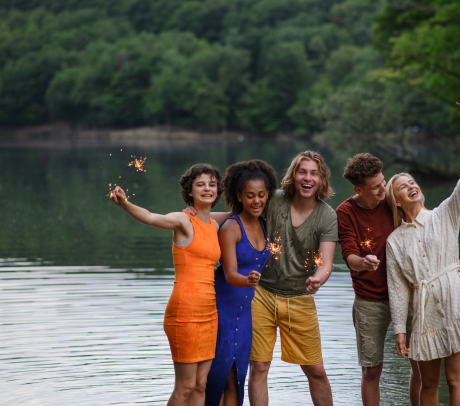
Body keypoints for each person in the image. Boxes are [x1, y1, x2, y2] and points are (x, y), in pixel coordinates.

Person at [186, 151, 338, 406]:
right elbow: (242, 216)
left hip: (300, 297)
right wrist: (197, 215)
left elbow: (327, 262)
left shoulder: (327, 215)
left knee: (317, 371)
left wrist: (318, 278)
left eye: (314, 173)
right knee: (259, 368)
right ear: (294, 175)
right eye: (303, 172)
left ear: (322, 179)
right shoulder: (275, 199)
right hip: (262, 294)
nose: (308, 178)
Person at [336, 153, 460, 406]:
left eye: (383, 182)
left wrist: (450, 265)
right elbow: (349, 254)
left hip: (414, 297)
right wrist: (363, 263)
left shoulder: (392, 201)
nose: (382, 190)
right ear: (358, 189)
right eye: (375, 187)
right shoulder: (345, 212)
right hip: (370, 299)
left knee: (420, 367)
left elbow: (425, 233)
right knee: (371, 370)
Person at [386, 130, 460, 406]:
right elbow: (397, 289)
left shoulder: (444, 214)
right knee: (428, 383)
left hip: (455, 299)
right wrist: (400, 329)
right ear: (397, 201)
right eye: (403, 186)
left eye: (413, 182)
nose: (412, 186)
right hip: (424, 312)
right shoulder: (394, 241)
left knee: (455, 378)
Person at [109, 164, 224, 406]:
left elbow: (238, 217)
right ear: (190, 191)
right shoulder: (183, 220)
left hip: (209, 313)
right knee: (185, 386)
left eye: (212, 185)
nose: (207, 189)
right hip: (185, 312)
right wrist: (126, 204)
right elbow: (152, 217)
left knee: (201, 385)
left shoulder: (213, 224)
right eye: (200, 185)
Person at [204, 160, 277, 406]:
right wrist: (249, 280)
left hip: (244, 314)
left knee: (237, 378)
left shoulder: (265, 224)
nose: (257, 201)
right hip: (221, 311)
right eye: (250, 196)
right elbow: (230, 273)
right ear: (239, 195)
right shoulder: (231, 228)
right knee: (217, 376)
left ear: (268, 195)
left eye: (261, 195)